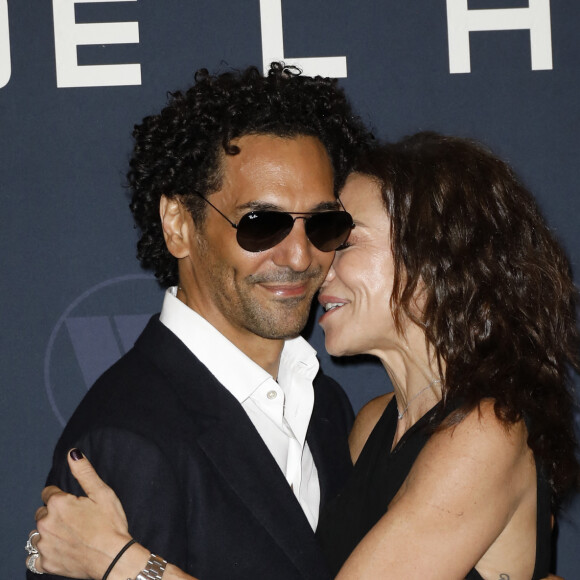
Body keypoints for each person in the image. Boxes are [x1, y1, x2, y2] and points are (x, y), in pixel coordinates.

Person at [30, 132, 578, 580]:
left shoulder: (482, 434)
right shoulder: (362, 426)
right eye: (262, 223)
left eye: (338, 235)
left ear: (436, 259)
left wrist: (124, 565)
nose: (313, 262)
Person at [26, 62, 372, 580]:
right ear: (179, 225)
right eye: (262, 224)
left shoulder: (326, 407)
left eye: (322, 224)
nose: (300, 257)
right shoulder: (127, 441)